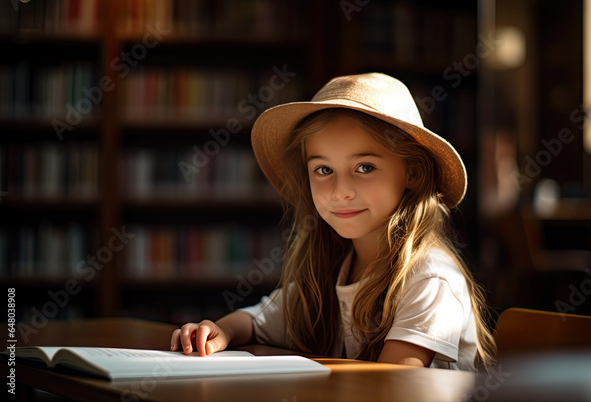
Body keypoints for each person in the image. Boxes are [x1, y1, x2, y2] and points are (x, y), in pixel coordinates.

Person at [169, 73, 495, 370]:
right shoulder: (334, 267)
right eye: (324, 170)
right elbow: (256, 321)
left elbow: (393, 383)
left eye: (365, 167)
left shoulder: (430, 279)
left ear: (413, 172)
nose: (341, 192)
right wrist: (219, 331)